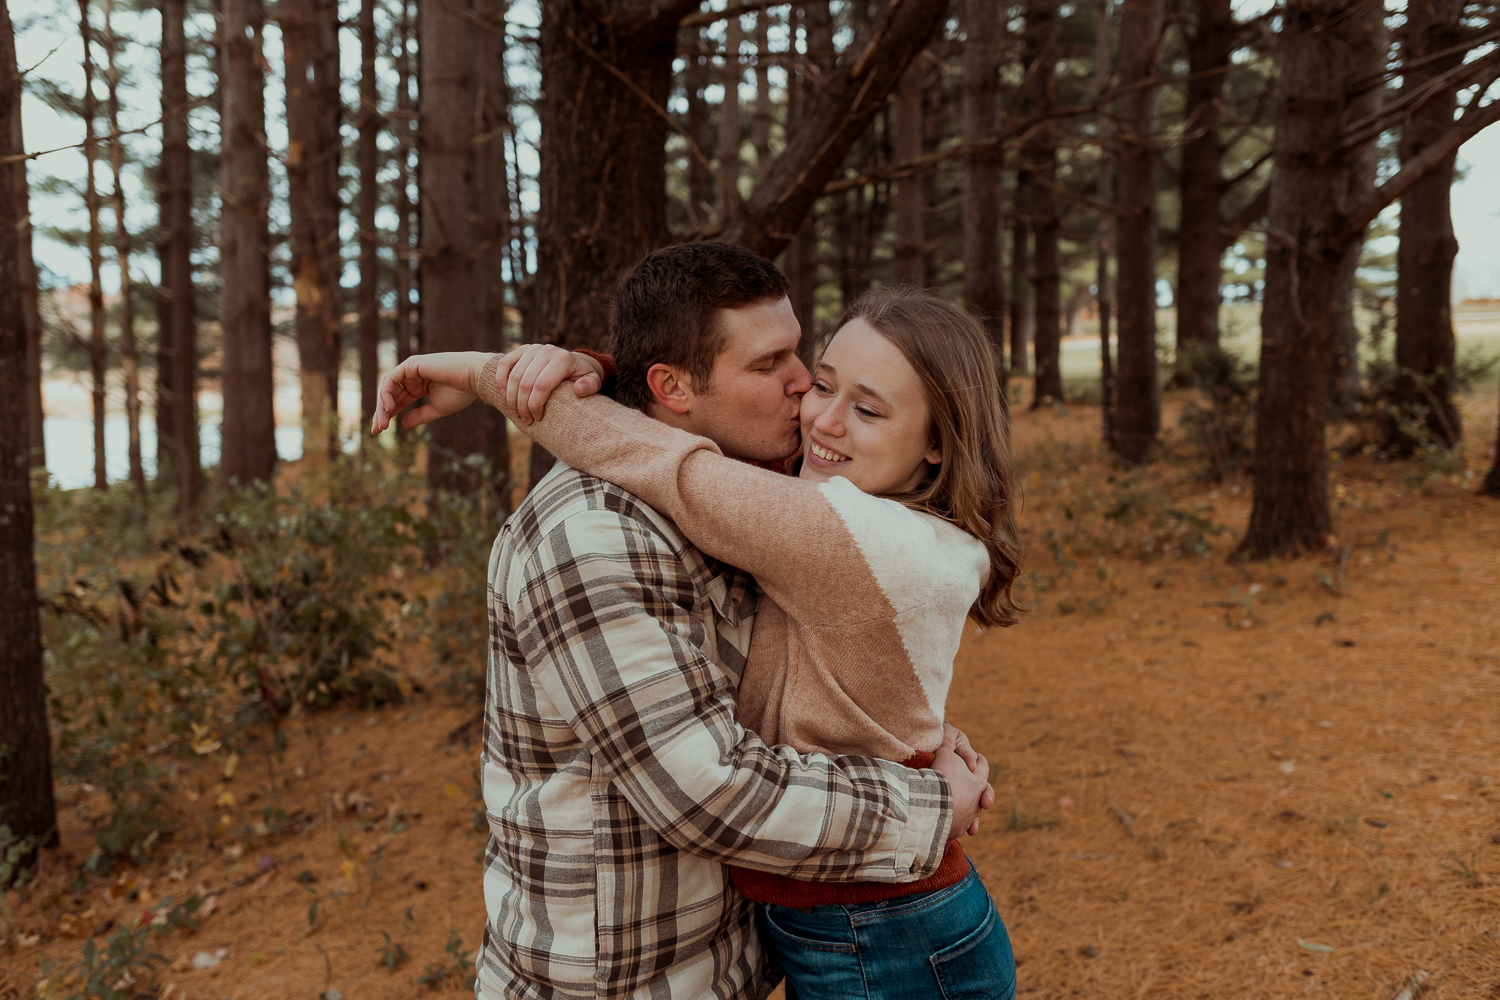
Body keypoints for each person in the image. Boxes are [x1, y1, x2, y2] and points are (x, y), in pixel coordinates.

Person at [370, 243, 996, 1000]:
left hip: (792, 947)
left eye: (803, 357)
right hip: (620, 983)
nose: (805, 395)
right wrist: (932, 806)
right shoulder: (591, 540)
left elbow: (659, 445)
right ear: (670, 386)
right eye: (779, 368)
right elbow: (708, 790)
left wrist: (530, 376)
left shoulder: (794, 494)